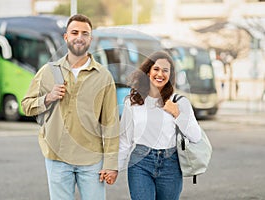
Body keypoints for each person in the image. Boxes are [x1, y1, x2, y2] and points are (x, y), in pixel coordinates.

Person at [21, 14, 119, 200]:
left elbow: (111, 122)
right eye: (74, 32)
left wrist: (111, 163)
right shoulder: (49, 71)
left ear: (90, 39)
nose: (79, 37)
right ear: (66, 37)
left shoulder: (103, 76)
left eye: (85, 33)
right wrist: (48, 98)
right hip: (57, 157)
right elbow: (26, 105)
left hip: (92, 160)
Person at [117, 51, 201, 200]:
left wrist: (177, 114)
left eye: (165, 70)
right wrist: (114, 167)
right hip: (140, 163)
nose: (160, 74)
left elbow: (195, 136)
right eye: (156, 69)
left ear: (171, 75)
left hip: (171, 164)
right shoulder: (133, 101)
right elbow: (125, 140)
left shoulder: (180, 102)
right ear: (148, 71)